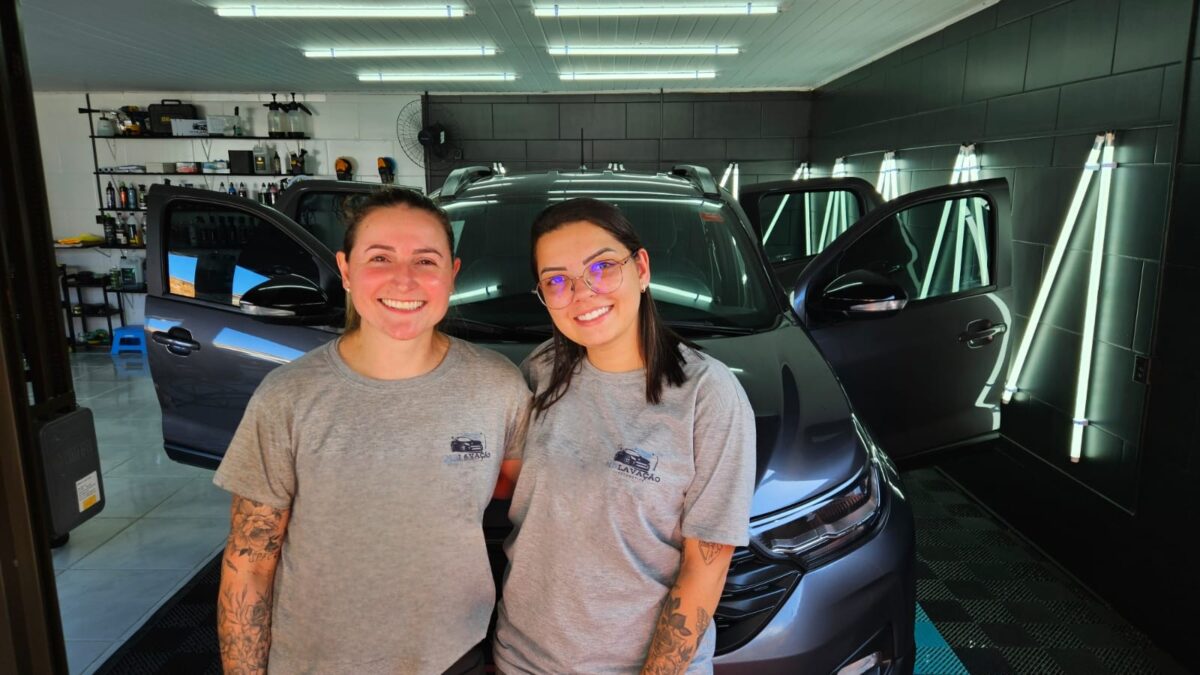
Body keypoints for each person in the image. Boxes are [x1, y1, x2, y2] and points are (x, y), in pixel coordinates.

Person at [214, 188, 528, 674]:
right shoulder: (288, 397)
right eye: (380, 257)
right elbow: (249, 560)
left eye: (426, 261)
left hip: (453, 657)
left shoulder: (498, 386)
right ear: (345, 270)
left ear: (452, 275)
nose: (404, 280)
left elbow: (525, 498)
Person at [494, 198, 756, 674]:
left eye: (602, 267)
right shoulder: (539, 372)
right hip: (524, 659)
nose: (583, 293)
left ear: (641, 268)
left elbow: (707, 564)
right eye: (557, 281)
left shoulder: (707, 394)